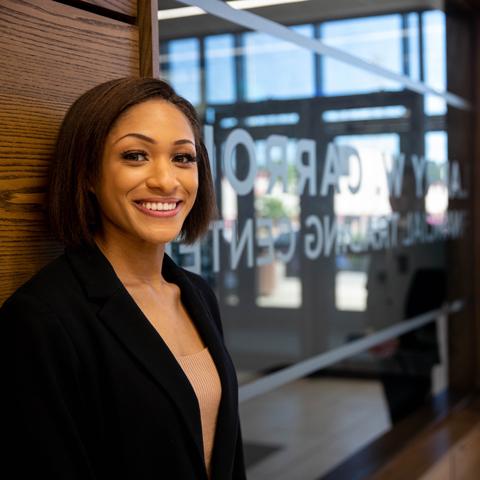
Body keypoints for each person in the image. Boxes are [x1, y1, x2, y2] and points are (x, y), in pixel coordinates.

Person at [1, 77, 246, 479]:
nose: (166, 181)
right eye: (135, 155)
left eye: (183, 158)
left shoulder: (197, 293)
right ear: (87, 175)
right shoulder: (42, 320)